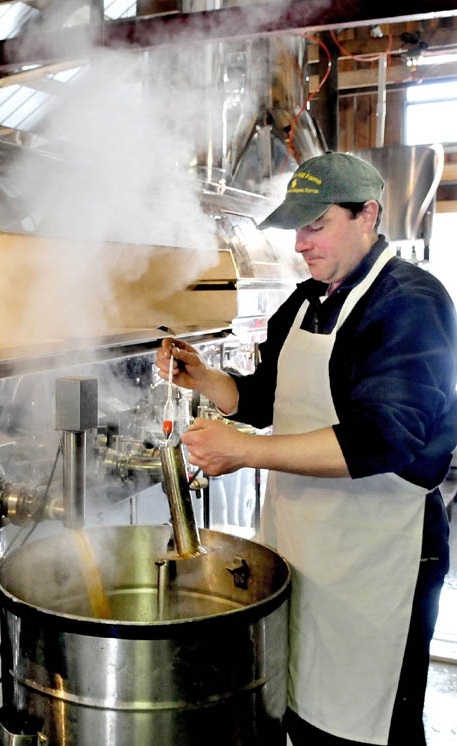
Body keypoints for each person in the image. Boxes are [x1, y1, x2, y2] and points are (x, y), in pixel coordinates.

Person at [156, 152, 457, 746]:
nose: (300, 243)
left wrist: (242, 451)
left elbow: (384, 439)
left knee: (371, 724)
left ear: (367, 215)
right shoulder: (307, 300)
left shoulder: (408, 303)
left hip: (380, 553)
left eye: (315, 225)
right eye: (296, 227)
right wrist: (206, 379)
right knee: (305, 710)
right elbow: (265, 397)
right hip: (306, 547)